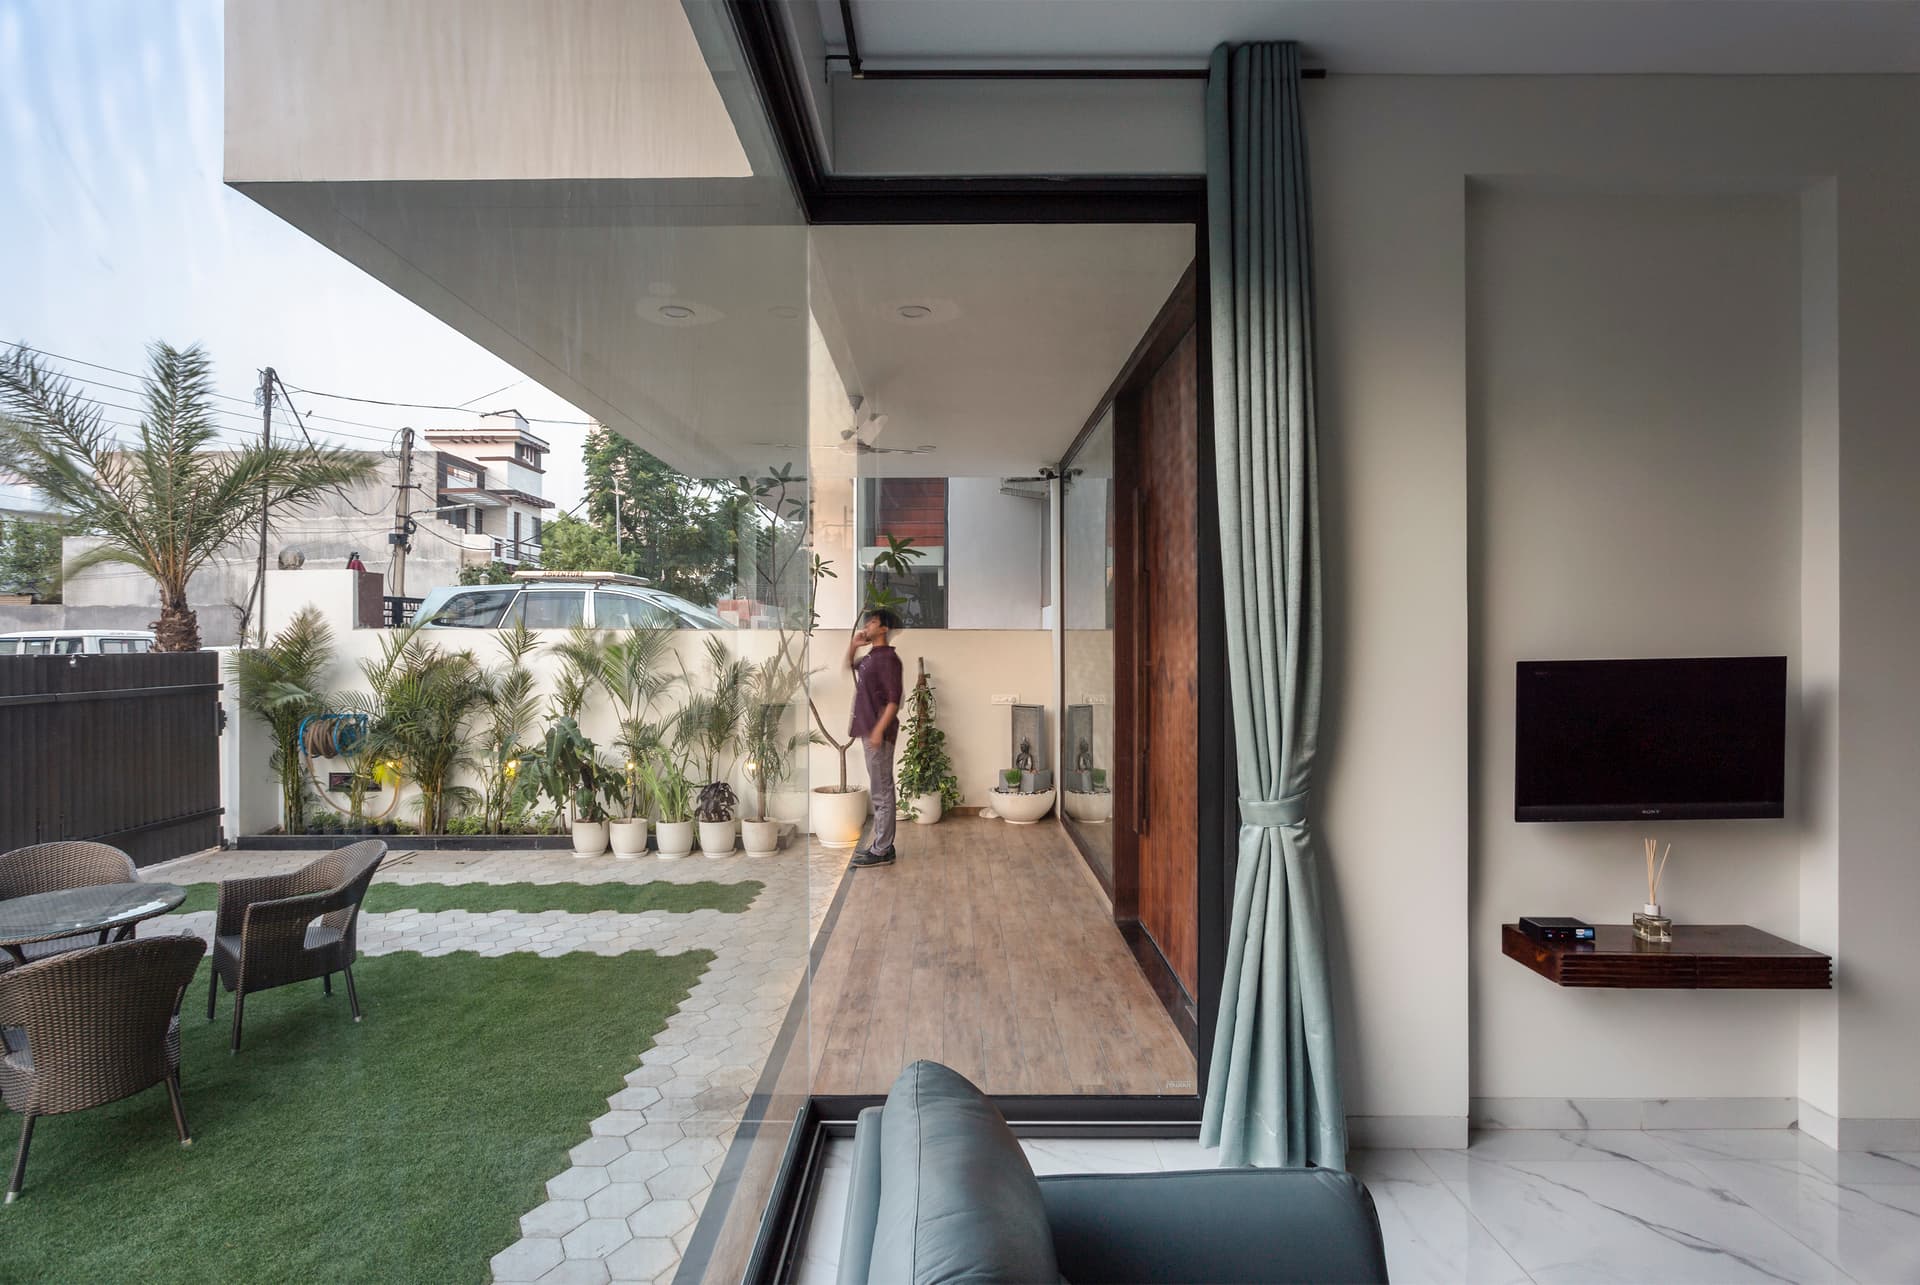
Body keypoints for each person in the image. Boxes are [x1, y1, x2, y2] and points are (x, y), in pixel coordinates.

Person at [846, 607, 903, 868]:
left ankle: (883, 849)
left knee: (882, 790)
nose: (867, 625)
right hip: (868, 729)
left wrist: (878, 731)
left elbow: (893, 700)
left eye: (873, 622)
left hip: (877, 733)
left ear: (884, 628)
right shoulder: (872, 656)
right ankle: (881, 845)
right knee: (880, 789)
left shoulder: (889, 659)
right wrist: (854, 645)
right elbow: (850, 665)